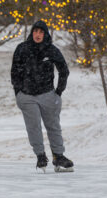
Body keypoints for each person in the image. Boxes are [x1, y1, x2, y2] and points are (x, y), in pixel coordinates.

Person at [11, 20, 73, 172]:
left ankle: (59, 156)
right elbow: (15, 72)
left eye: (41, 32)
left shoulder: (51, 50)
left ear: (45, 34)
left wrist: (58, 91)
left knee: (53, 126)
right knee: (34, 127)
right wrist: (18, 92)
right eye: (35, 32)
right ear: (31, 33)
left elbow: (64, 70)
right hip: (26, 96)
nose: (37, 35)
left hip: (48, 95)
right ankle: (40, 156)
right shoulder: (22, 49)